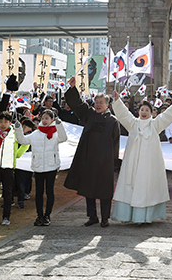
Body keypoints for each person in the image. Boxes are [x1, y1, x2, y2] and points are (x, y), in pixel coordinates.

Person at [110, 90, 172, 224]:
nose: (144, 112)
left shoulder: (155, 125)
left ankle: (146, 217)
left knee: (146, 189)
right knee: (131, 188)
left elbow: (166, 116)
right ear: (138, 112)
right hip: (133, 165)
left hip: (148, 166)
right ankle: (128, 216)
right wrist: (117, 101)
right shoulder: (133, 124)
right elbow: (123, 114)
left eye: (147, 110)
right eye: (142, 110)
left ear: (151, 113)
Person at [64, 76, 119, 228]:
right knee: (89, 189)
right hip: (89, 159)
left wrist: (114, 163)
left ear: (108, 105)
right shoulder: (89, 114)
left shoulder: (113, 121)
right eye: (96, 102)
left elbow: (116, 143)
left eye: (101, 102)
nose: (98, 104)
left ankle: (105, 218)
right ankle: (92, 216)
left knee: (105, 191)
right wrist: (73, 88)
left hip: (105, 162)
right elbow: (77, 104)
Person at [14, 110, 66, 226]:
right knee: (39, 193)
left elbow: (63, 138)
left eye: (47, 118)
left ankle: (47, 215)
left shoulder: (55, 133)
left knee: (49, 192)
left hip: (51, 166)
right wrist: (18, 129)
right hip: (38, 167)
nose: (44, 120)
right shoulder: (35, 134)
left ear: (52, 119)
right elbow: (22, 140)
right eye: (43, 118)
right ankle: (39, 216)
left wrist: (59, 124)